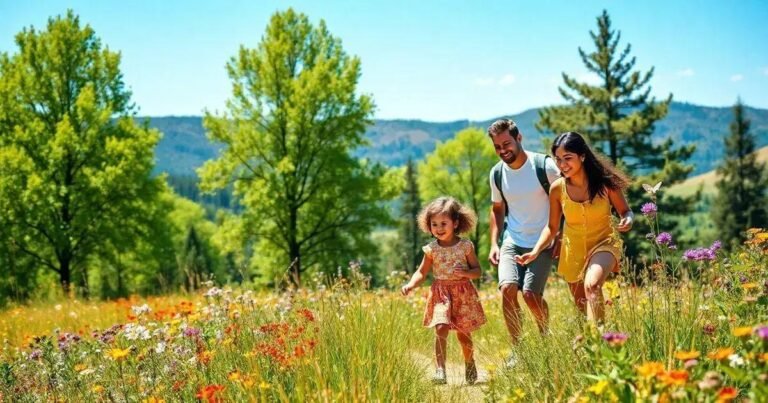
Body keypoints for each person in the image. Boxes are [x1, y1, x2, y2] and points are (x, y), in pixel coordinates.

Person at [516, 131, 633, 324]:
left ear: (583, 156)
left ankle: (603, 341)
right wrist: (535, 251)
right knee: (582, 308)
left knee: (592, 286)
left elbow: (626, 211)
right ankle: (594, 345)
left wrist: (628, 220)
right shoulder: (557, 189)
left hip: (604, 243)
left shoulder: (606, 184)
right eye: (558, 159)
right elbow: (552, 227)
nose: (562, 165)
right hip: (573, 251)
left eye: (568, 158)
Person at [487, 119, 560, 366]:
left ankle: (544, 338)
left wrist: (560, 236)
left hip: (543, 241)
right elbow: (497, 209)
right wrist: (494, 243)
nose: (502, 150)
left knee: (530, 295)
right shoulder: (497, 173)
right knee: (507, 289)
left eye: (506, 143)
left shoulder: (545, 167)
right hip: (512, 240)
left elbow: (566, 201)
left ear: (519, 139)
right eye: (497, 146)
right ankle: (518, 351)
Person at [401, 196, 487, 385]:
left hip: (463, 294)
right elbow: (421, 272)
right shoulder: (431, 249)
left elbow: (477, 271)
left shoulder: (465, 246)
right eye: (434, 224)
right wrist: (410, 284)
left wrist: (466, 273)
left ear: (455, 223)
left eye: (443, 223)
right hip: (441, 294)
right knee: (441, 328)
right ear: (428, 225)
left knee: (464, 335)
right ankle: (440, 369)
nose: (439, 228)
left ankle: (469, 361)